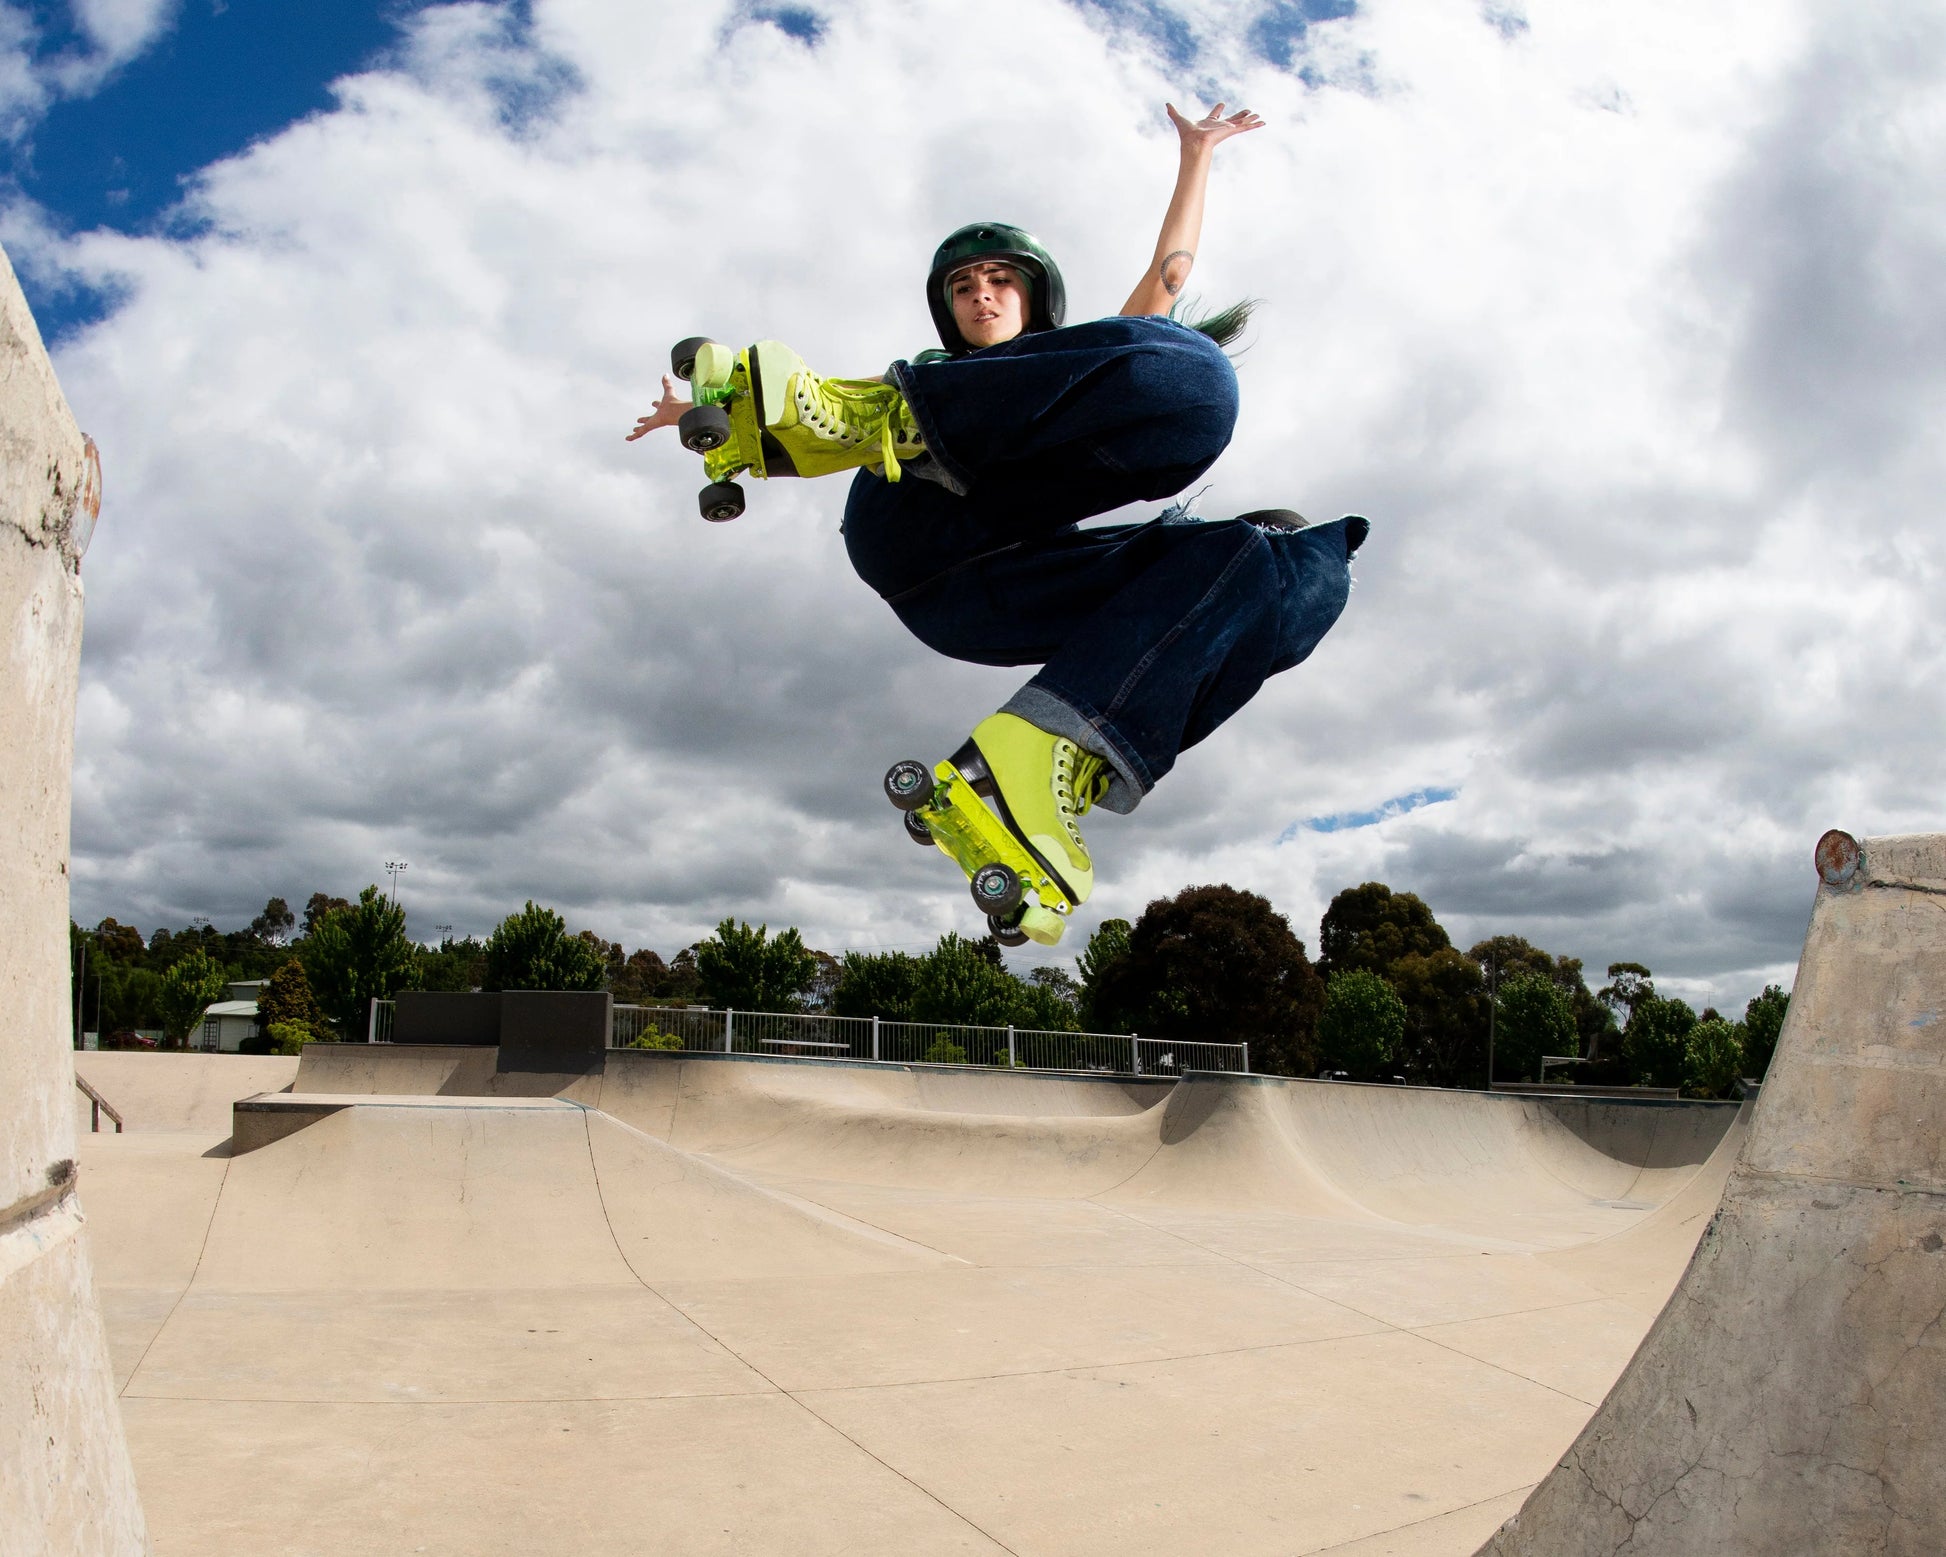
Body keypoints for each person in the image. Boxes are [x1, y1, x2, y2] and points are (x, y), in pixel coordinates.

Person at [631, 103, 1366, 940]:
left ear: (1034, 295)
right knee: (1199, 379)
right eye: (963, 286)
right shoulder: (950, 373)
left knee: (1284, 565)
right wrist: (714, 407)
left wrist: (1197, 157)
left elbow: (1165, 282)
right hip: (912, 524)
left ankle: (1058, 745)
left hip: (994, 598)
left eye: (1000, 280)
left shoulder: (1084, 363)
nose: (981, 293)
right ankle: (871, 417)